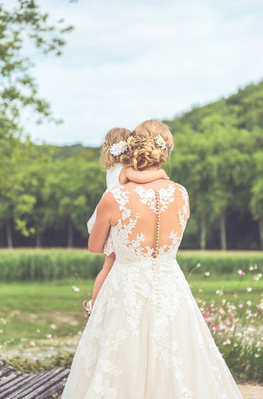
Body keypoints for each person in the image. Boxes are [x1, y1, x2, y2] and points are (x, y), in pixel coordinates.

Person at [62, 120, 243, 398]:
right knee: (177, 357)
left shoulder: (115, 198)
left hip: (126, 287)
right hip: (171, 285)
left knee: (120, 359)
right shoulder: (181, 194)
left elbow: (95, 247)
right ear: (164, 152)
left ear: (134, 149)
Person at [84, 127, 169, 316]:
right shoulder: (126, 170)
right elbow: (139, 177)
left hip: (111, 217)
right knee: (110, 264)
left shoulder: (112, 168)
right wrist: (160, 175)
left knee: (109, 264)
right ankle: (95, 303)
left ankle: (95, 303)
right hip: (116, 218)